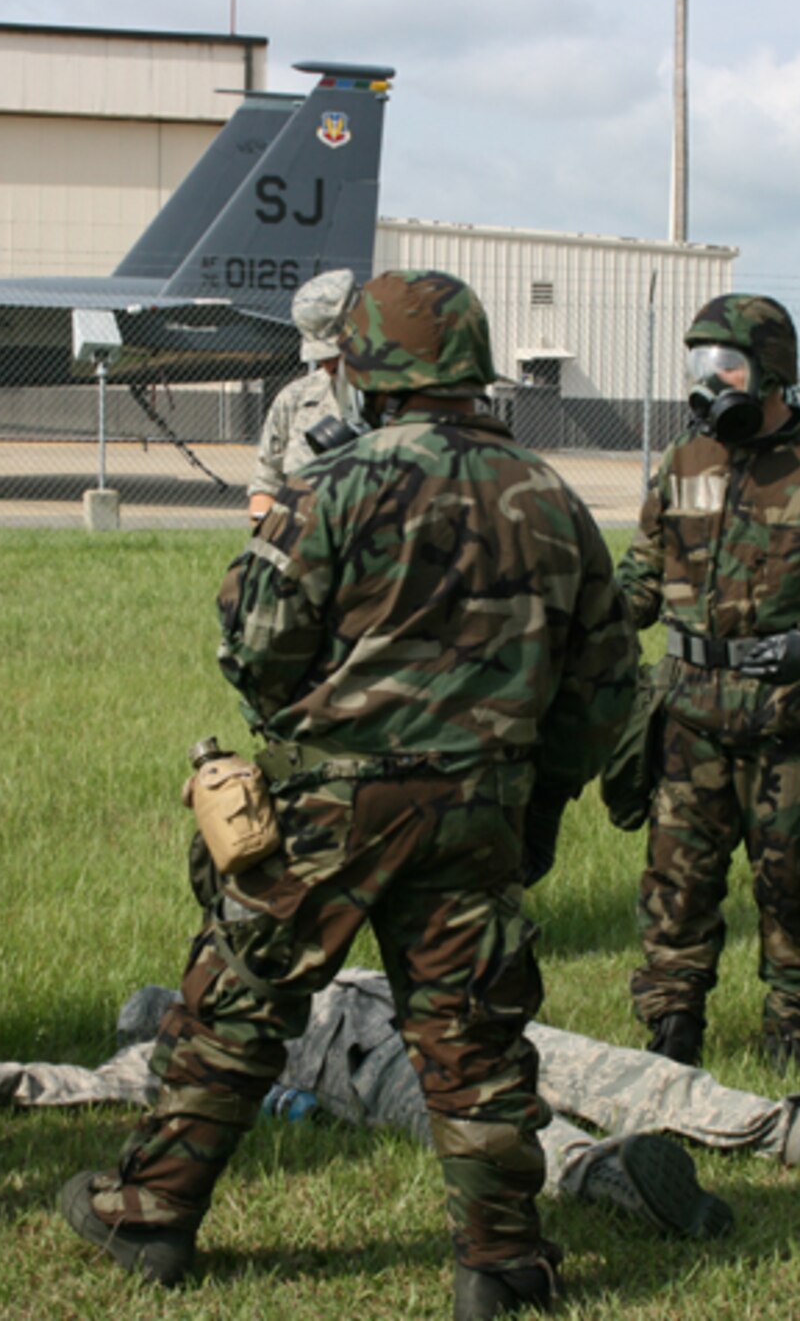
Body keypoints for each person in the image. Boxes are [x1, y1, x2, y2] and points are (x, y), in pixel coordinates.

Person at [58, 270, 638, 1320]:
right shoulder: (551, 496)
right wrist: (540, 794)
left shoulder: (331, 485)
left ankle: (150, 1213)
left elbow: (254, 644)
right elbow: (604, 687)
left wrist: (311, 724)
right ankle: (502, 1261)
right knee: (470, 1033)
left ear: (367, 373)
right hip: (479, 804)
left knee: (239, 1001)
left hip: (332, 802)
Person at [0, 970, 800, 1216]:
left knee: (637, 1071)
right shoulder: (180, 1059)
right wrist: (3, 1076)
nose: (175, 1009)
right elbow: (90, 1084)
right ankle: (619, 1183)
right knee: (504, 1124)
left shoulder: (277, 963)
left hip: (449, 1010)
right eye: (163, 1012)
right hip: (370, 1068)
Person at [616, 294, 800, 1072]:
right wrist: (587, 621)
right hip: (689, 712)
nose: (708, 381)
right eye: (699, 364)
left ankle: (797, 1025)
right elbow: (643, 571)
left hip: (789, 716)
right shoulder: (687, 459)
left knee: (792, 879)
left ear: (772, 371)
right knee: (676, 880)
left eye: (726, 365)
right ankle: (672, 1023)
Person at [246, 268, 355, 522]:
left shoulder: (401, 401)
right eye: (322, 356)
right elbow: (266, 485)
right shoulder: (296, 399)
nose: (329, 365)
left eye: (336, 354)